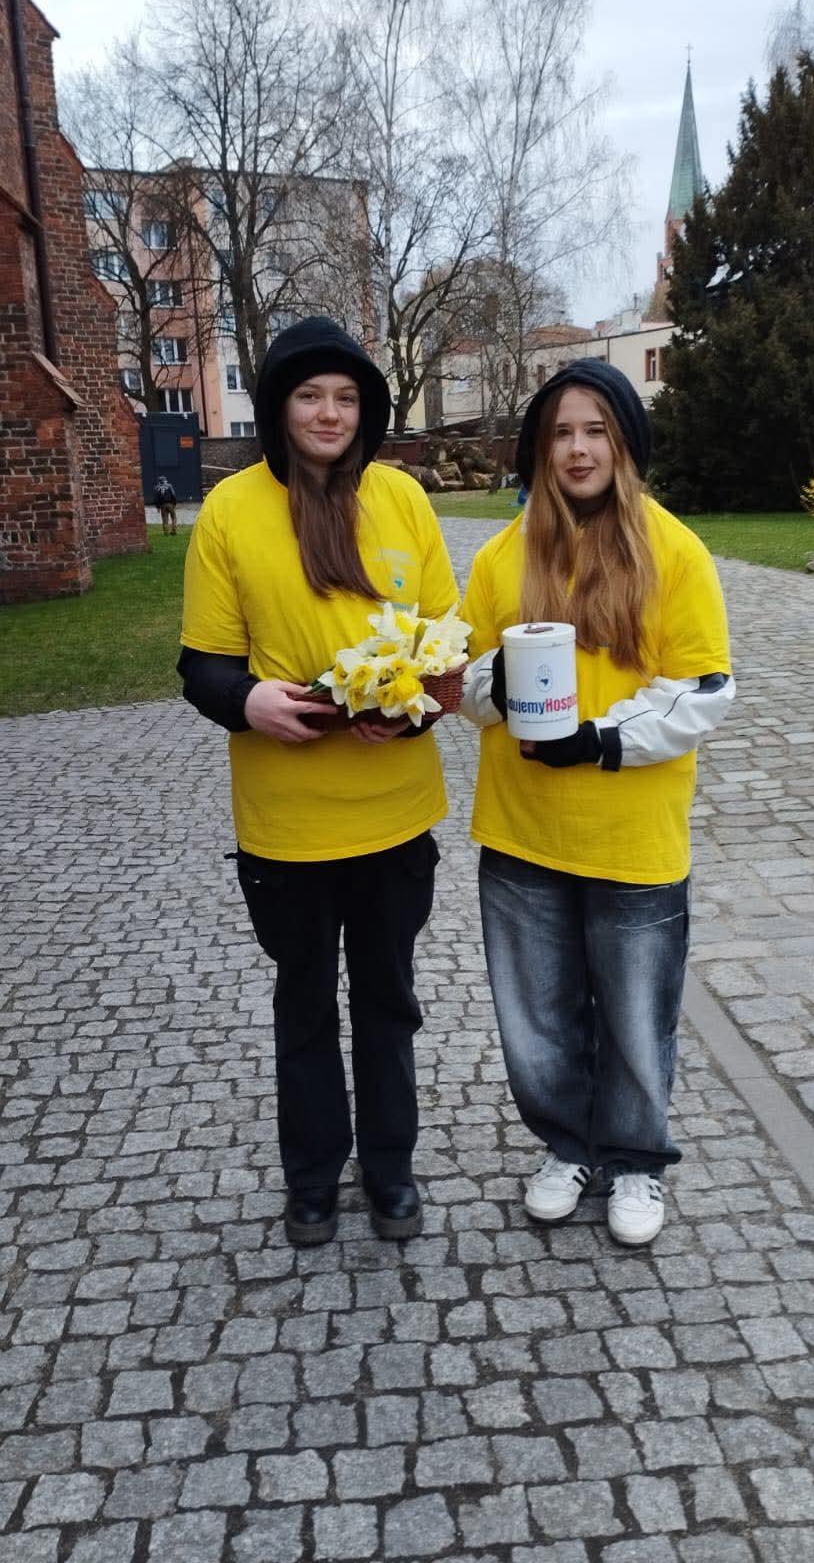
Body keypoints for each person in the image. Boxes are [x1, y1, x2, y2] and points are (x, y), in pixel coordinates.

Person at [177, 316, 459, 1247]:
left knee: (387, 1000)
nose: (329, 413)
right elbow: (201, 666)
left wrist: (414, 708)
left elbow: (446, 650)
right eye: (309, 395)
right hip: (286, 821)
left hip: (394, 814)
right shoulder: (231, 511)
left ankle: (390, 1171)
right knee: (303, 1005)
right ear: (277, 406)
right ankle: (310, 1180)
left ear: (367, 409)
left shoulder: (402, 499)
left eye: (345, 397)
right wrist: (247, 701)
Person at [460, 359, 734, 1247]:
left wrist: (601, 740)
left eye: (595, 431)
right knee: (536, 1021)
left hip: (632, 835)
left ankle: (635, 1159)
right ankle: (568, 1146)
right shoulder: (502, 556)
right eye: (560, 434)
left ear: (623, 444)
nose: (578, 450)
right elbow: (462, 682)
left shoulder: (673, 552)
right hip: (523, 831)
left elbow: (701, 691)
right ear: (539, 450)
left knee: (633, 1020)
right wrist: (499, 684)